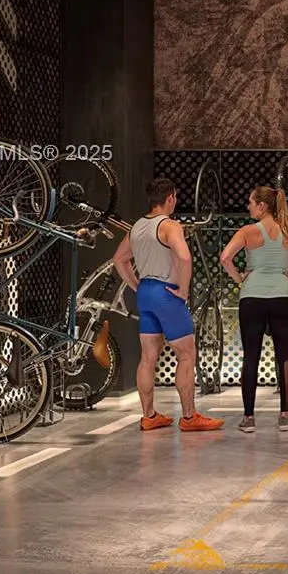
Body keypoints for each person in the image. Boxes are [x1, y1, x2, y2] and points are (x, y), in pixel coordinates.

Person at [113, 178, 224, 433]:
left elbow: (119, 259)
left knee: (148, 357)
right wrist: (183, 290)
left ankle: (149, 416)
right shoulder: (170, 225)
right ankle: (189, 417)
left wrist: (136, 285)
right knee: (186, 354)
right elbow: (185, 258)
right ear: (170, 198)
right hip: (167, 295)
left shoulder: (137, 226)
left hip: (146, 294)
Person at [220, 185, 288, 433]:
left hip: (252, 297)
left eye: (250, 202)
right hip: (283, 296)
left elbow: (225, 258)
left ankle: (249, 418)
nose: (248, 206)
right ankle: (284, 416)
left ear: (262, 206)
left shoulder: (247, 232)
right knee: (284, 355)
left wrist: (239, 279)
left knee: (251, 356)